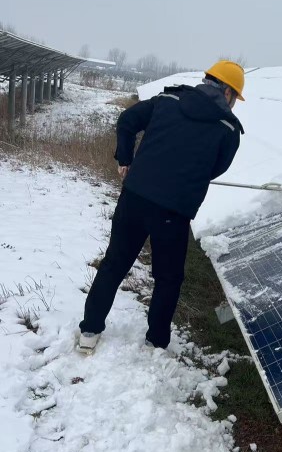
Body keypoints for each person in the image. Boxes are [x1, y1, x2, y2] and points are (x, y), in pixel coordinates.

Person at [78, 60, 245, 352]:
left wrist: (125, 159)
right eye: (235, 99)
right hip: (174, 212)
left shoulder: (168, 100)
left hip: (135, 198)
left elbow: (127, 121)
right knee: (168, 278)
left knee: (114, 263)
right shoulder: (228, 129)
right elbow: (215, 169)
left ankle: (89, 332)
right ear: (228, 92)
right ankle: (155, 343)